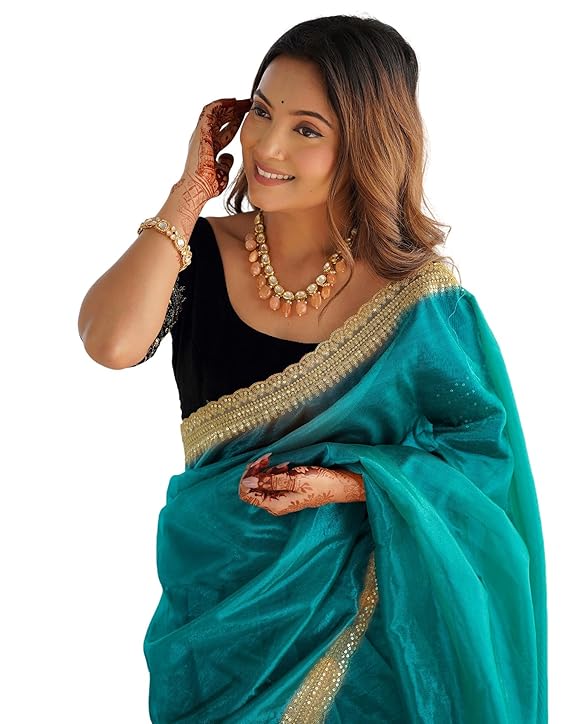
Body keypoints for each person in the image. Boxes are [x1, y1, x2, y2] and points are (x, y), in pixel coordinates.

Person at [77, 14, 547, 724]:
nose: (267, 146)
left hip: (362, 627)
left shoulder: (417, 301)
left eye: (306, 129)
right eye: (262, 112)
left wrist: (352, 484)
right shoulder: (194, 251)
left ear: (363, 144)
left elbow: (482, 459)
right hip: (216, 612)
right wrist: (187, 193)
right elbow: (110, 343)